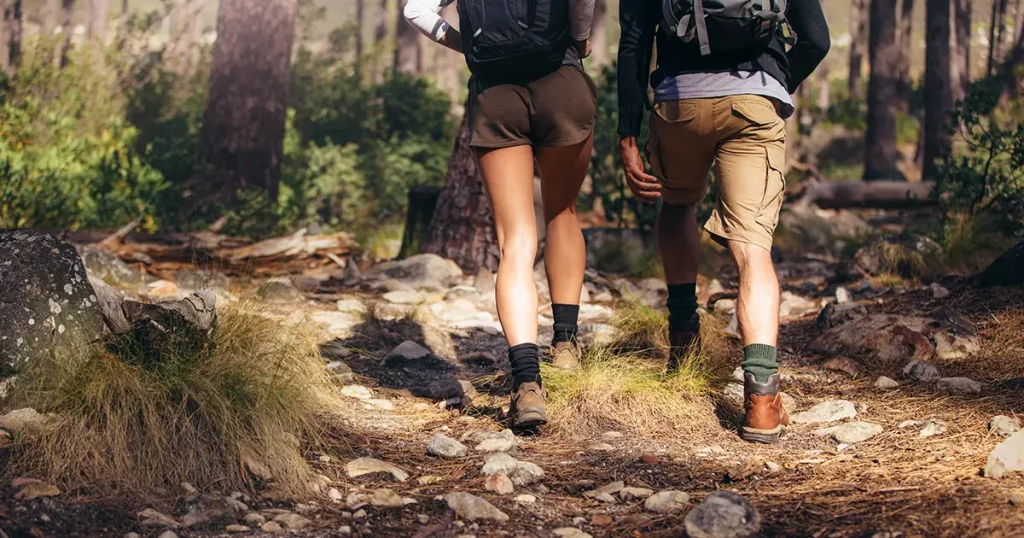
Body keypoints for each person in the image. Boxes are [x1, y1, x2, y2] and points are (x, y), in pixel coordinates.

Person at [617, 0, 830, 443]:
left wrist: (627, 132)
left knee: (677, 205)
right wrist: (773, 82)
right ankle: (762, 400)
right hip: (755, 101)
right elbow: (817, 39)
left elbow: (634, 42)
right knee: (753, 248)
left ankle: (683, 348)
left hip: (679, 103)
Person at [404, 0, 597, 428]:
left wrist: (467, 48)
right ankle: (565, 344)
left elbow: (414, 11)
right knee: (562, 212)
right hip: (561, 81)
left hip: (494, 93)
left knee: (515, 242)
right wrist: (579, 42)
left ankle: (527, 383)